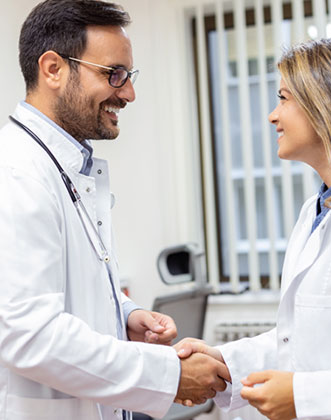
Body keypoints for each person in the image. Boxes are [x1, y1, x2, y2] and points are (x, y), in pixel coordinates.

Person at [0, 1, 228, 420]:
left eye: (129, 76)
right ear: (53, 69)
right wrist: (168, 376)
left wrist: (123, 315)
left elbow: (61, 291)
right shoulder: (15, 172)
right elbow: (28, 334)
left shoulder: (64, 165)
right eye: (114, 74)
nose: (129, 93)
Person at [177, 36, 331, 419]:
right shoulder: (317, 210)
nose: (273, 116)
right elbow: (305, 340)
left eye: (284, 99)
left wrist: (304, 396)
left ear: (330, 109)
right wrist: (223, 362)